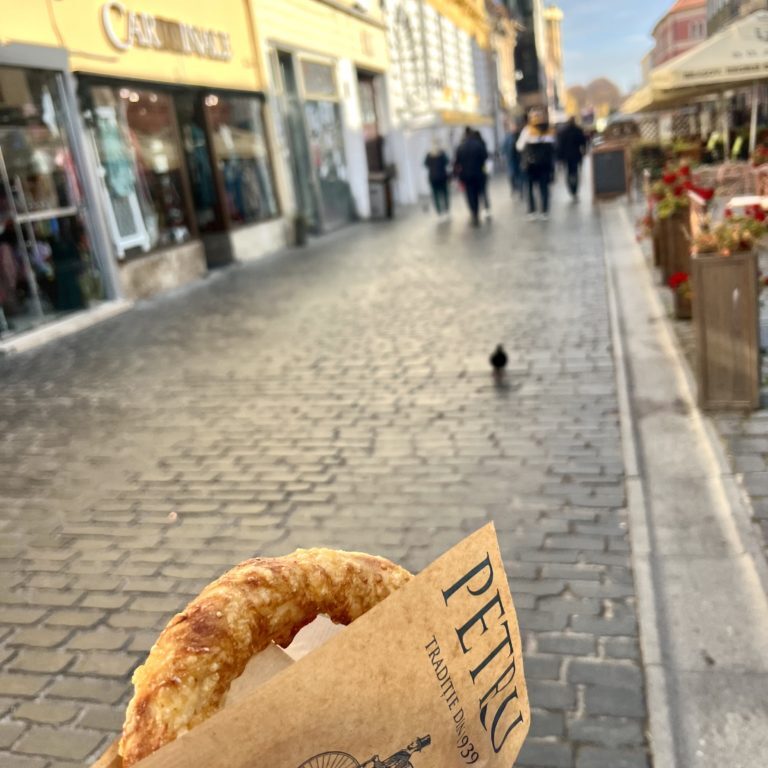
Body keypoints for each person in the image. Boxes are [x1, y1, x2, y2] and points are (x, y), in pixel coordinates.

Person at [516, 108, 556, 220]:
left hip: (531, 165)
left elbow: (519, 146)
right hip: (545, 165)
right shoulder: (549, 130)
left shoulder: (528, 130)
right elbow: (553, 147)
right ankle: (545, 211)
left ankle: (532, 211)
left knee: (529, 188)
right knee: (544, 188)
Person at [454, 127, 488, 227]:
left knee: (469, 195)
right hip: (478, 174)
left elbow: (457, 162)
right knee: (477, 194)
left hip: (466, 176)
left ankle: (473, 212)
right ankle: (476, 212)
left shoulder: (460, 147)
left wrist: (456, 175)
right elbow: (485, 157)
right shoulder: (478, 145)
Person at [557, 116, 587, 200]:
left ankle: (571, 189)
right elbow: (583, 142)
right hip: (576, 155)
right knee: (575, 172)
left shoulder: (563, 132)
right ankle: (575, 189)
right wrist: (584, 151)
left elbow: (560, 146)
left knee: (569, 172)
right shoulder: (578, 130)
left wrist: (560, 157)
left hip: (566, 157)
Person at [424, 139, 451, 219]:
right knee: (445, 194)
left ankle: (440, 213)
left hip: (433, 177)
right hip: (442, 176)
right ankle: (446, 210)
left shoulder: (429, 154)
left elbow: (425, 164)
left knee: (436, 196)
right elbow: (447, 162)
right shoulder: (442, 153)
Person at [502, 121, 524, 199]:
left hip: (519, 160)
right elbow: (504, 148)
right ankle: (514, 189)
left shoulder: (520, 136)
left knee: (520, 176)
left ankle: (521, 190)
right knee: (511, 176)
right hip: (511, 160)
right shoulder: (508, 137)